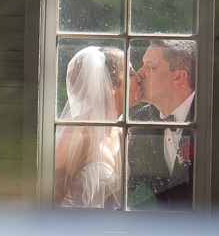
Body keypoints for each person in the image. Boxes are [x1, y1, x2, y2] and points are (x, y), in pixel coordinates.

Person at [53, 46, 130, 209]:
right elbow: (51, 200)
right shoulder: (78, 134)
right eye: (130, 74)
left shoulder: (120, 131)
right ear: (111, 86)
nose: (139, 78)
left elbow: (107, 196)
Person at [128, 39, 196, 210]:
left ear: (179, 77)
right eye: (142, 65)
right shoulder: (139, 120)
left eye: (150, 67)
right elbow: (133, 188)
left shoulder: (210, 118)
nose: (139, 73)